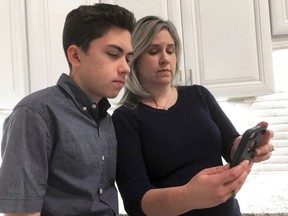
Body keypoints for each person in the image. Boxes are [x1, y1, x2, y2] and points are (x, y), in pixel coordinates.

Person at [112, 16, 274, 216]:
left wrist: (247, 147)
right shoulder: (125, 119)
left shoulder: (199, 95)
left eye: (170, 51)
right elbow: (136, 201)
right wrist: (188, 196)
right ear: (134, 60)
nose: (165, 58)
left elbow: (230, 143)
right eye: (153, 51)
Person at [0, 3, 135, 216]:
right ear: (76, 56)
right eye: (112, 54)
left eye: (128, 58)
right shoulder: (34, 114)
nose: (126, 67)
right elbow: (21, 213)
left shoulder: (106, 119)